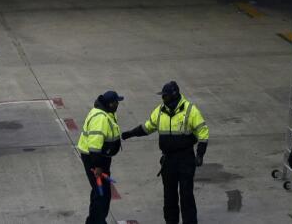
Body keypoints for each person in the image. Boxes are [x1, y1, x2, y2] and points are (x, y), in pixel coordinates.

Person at [121, 81, 209, 224]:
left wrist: (200, 154)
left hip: (185, 159)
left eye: (165, 96)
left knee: (186, 195)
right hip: (168, 160)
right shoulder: (160, 110)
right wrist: (129, 134)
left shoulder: (190, 110)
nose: (163, 99)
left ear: (174, 95)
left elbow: (203, 132)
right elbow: (147, 127)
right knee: (169, 196)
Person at [77, 90, 124, 224]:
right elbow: (95, 144)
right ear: (110, 104)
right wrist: (97, 166)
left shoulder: (105, 113)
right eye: (116, 102)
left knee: (99, 192)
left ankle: (93, 221)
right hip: (95, 159)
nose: (118, 105)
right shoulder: (100, 118)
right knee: (102, 195)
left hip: (100, 158)